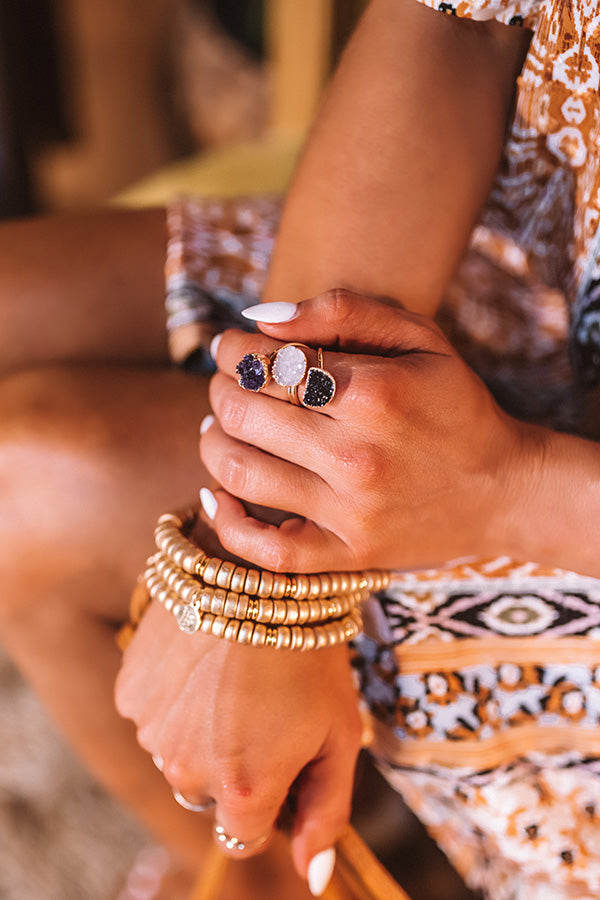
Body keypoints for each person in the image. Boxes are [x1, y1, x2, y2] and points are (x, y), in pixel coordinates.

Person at [3, 0, 600, 898]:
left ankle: (265, 869)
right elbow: (457, 21)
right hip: (547, 259)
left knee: (32, 486)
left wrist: (505, 490)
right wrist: (279, 515)